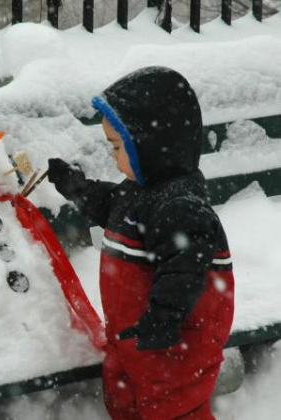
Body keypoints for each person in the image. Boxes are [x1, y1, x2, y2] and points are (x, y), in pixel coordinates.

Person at [47, 66, 235, 420]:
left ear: (151, 145)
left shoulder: (179, 206)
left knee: (171, 409)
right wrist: (76, 188)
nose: (114, 156)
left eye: (118, 147)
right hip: (135, 335)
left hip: (176, 344)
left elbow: (185, 267)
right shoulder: (140, 192)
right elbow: (110, 205)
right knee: (125, 398)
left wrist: (163, 319)